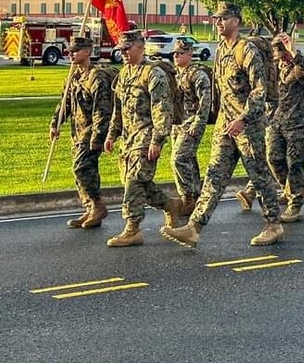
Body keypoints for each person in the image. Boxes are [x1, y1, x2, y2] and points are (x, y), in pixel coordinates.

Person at [161, 2, 284, 248]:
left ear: (236, 21)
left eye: (223, 18)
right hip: (225, 125)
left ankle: (274, 225)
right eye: (216, 18)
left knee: (259, 176)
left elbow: (259, 89)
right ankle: (194, 228)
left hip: (248, 126)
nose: (218, 22)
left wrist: (244, 118)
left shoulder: (246, 50)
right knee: (214, 176)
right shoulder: (222, 50)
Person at [103, 31, 181, 247]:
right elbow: (118, 109)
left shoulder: (153, 74)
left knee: (134, 181)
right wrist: (112, 134)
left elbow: (162, 109)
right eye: (122, 50)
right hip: (128, 138)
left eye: (128, 49)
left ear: (140, 47)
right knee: (140, 184)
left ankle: (132, 229)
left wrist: (157, 140)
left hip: (146, 136)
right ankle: (170, 205)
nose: (124, 53)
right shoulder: (124, 74)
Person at [49, 35, 113, 229]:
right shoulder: (74, 75)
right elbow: (66, 102)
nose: (70, 54)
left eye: (74, 51)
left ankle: (98, 205)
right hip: (76, 131)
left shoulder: (97, 77)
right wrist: (55, 123)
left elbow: (102, 110)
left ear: (87, 52)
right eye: (69, 51)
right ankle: (91, 207)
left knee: (81, 167)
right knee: (84, 171)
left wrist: (98, 137)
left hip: (92, 130)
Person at [264, 31, 304, 223]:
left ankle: (295, 204)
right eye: (278, 55)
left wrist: (293, 51)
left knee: (295, 163)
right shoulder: (275, 67)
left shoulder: (302, 63)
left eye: (283, 54)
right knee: (273, 158)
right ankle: (293, 191)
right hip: (277, 121)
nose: (281, 59)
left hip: (299, 121)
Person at [170, 36, 212, 218]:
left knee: (178, 158)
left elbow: (205, 101)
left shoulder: (198, 75)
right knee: (188, 160)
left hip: (192, 122)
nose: (176, 57)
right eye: (174, 54)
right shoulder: (176, 74)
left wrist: (199, 122)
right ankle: (196, 196)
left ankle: (188, 197)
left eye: (180, 53)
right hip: (178, 123)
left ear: (189, 54)